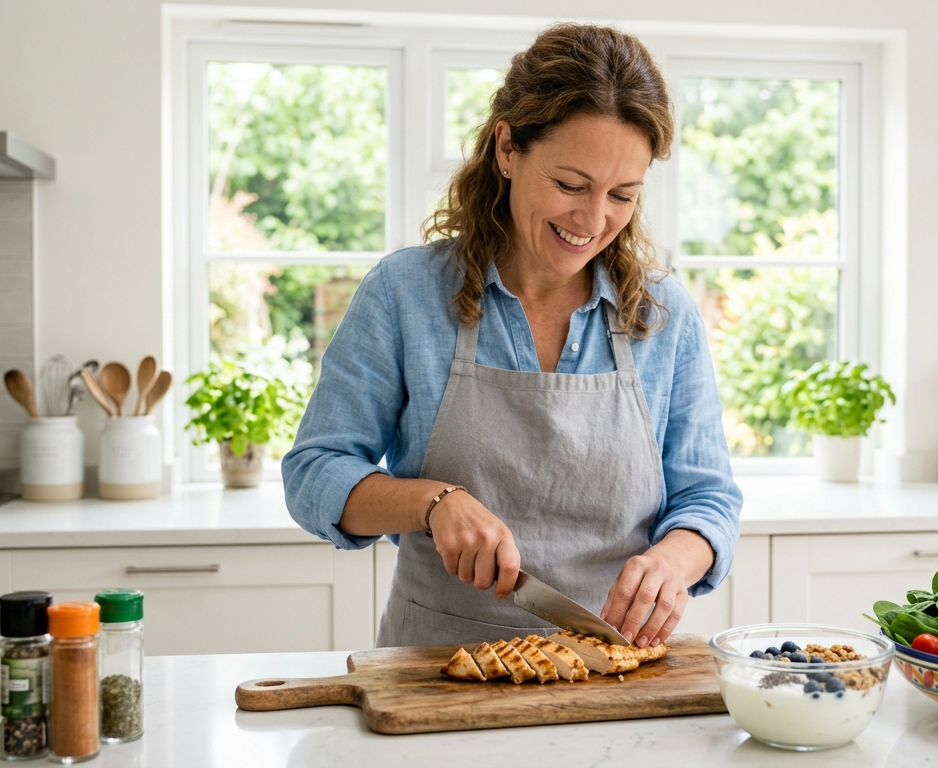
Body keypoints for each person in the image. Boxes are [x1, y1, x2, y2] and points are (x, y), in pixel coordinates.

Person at [283, 23, 741, 649]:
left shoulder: (664, 314)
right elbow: (314, 473)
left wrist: (673, 563)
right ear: (506, 148)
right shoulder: (404, 293)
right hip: (436, 669)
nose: (592, 218)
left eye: (622, 195)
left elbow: (708, 498)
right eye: (570, 185)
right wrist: (432, 501)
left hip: (613, 669)